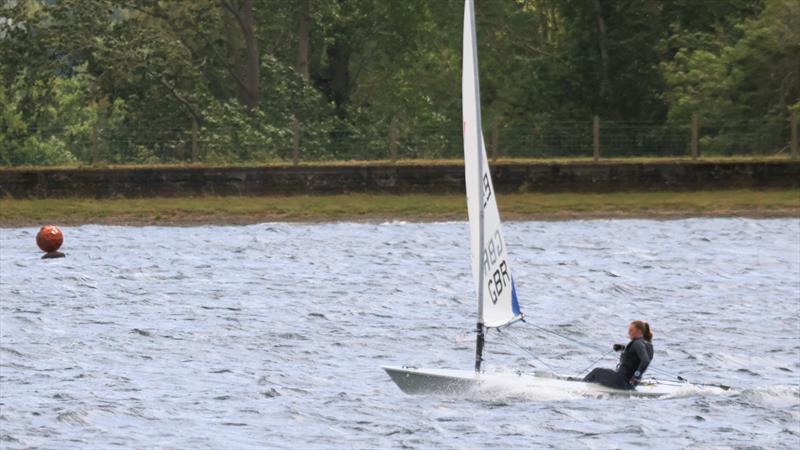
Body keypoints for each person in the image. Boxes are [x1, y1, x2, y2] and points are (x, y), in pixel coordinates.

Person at [583, 320, 654, 390]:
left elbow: (645, 360)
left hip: (623, 382)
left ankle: (581, 387)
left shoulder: (637, 343)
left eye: (631, 330)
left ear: (639, 331)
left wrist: (636, 376)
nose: (629, 332)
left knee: (596, 371)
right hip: (629, 383)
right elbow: (635, 358)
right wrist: (622, 348)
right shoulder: (649, 345)